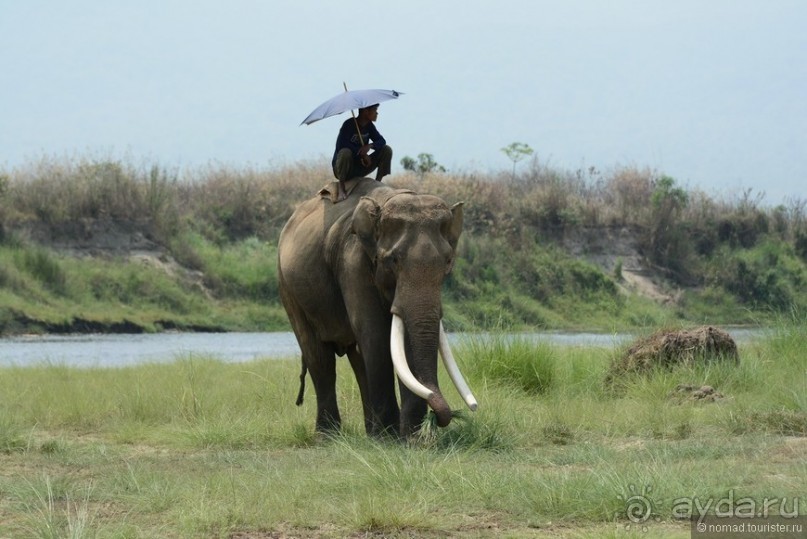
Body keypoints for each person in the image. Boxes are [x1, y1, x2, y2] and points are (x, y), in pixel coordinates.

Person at [332, 104, 393, 201]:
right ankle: (341, 188)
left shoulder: (370, 126)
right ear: (366, 111)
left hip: (360, 166)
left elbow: (381, 141)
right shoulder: (349, 125)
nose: (377, 113)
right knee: (345, 152)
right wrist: (361, 153)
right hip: (344, 168)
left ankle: (378, 183)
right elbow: (341, 145)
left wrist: (370, 146)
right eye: (374, 110)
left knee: (386, 150)